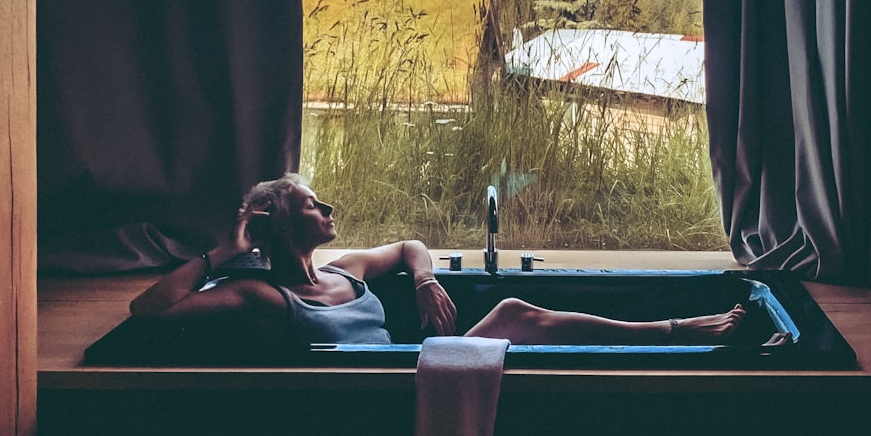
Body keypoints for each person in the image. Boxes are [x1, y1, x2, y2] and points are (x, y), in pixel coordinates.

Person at [131, 173, 791, 349]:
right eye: (309, 202)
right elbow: (149, 312)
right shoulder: (265, 298)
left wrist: (422, 280)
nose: (326, 205)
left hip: (416, 367)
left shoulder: (343, 271)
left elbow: (413, 246)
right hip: (390, 392)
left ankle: (682, 331)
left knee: (511, 310)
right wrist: (227, 247)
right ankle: (680, 333)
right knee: (512, 312)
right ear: (278, 224)